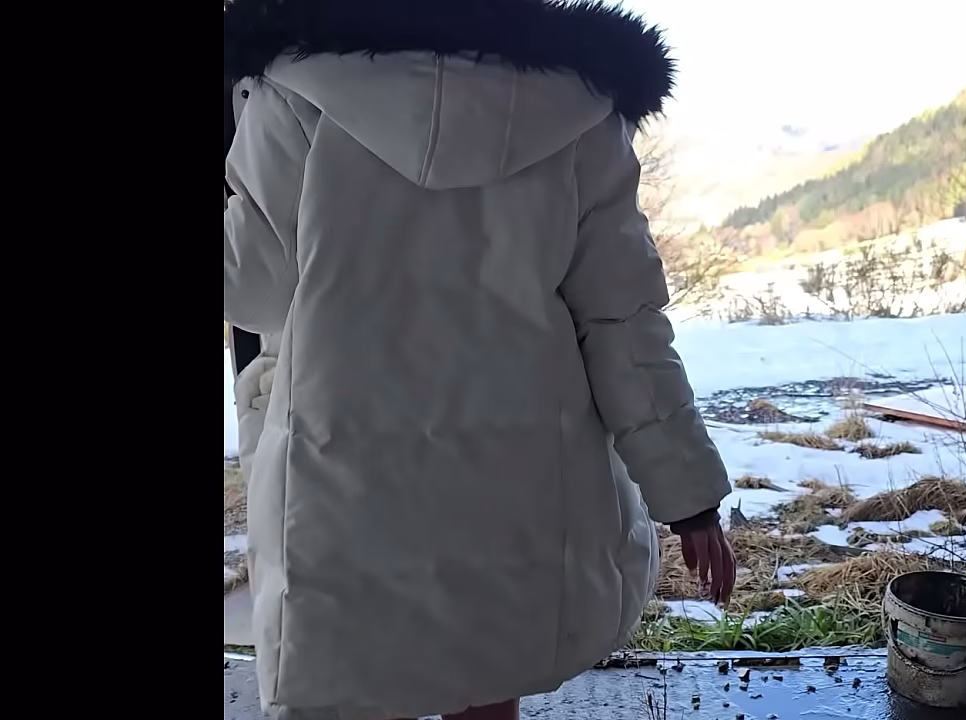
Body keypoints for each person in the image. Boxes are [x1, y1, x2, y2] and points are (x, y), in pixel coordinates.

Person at [222, 1, 735, 718]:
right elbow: (624, 325)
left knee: (354, 673)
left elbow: (249, 286)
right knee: (488, 670)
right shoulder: (581, 106)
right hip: (521, 497)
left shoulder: (291, 95)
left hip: (343, 494)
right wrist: (690, 498)